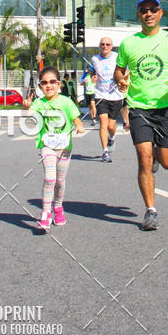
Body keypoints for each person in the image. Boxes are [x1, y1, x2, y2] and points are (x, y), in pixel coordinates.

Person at [114, 0, 168, 232]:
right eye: (144, 10)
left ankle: (159, 156)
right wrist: (121, 81)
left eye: (153, 9)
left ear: (160, 13)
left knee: (167, 163)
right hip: (138, 107)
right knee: (143, 159)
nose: (148, 13)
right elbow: (119, 70)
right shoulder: (129, 43)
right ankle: (151, 211)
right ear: (138, 14)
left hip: (166, 107)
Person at [23, 67, 84, 231]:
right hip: (47, 146)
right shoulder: (39, 103)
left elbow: (75, 118)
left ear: (58, 84)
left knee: (60, 181)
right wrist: (26, 107)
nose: (48, 85)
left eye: (52, 82)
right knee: (50, 178)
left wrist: (79, 127)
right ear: (40, 86)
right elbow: (28, 116)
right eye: (44, 82)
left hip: (64, 147)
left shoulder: (66, 101)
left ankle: (58, 207)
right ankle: (45, 213)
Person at [91, 37, 125, 162]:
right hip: (101, 94)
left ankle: (112, 137)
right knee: (103, 123)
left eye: (107, 44)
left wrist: (123, 81)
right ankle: (105, 151)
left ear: (112, 46)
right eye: (102, 44)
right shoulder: (95, 59)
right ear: (100, 46)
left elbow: (126, 71)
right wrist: (92, 76)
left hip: (115, 95)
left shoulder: (117, 57)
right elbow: (92, 71)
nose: (105, 46)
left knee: (111, 126)